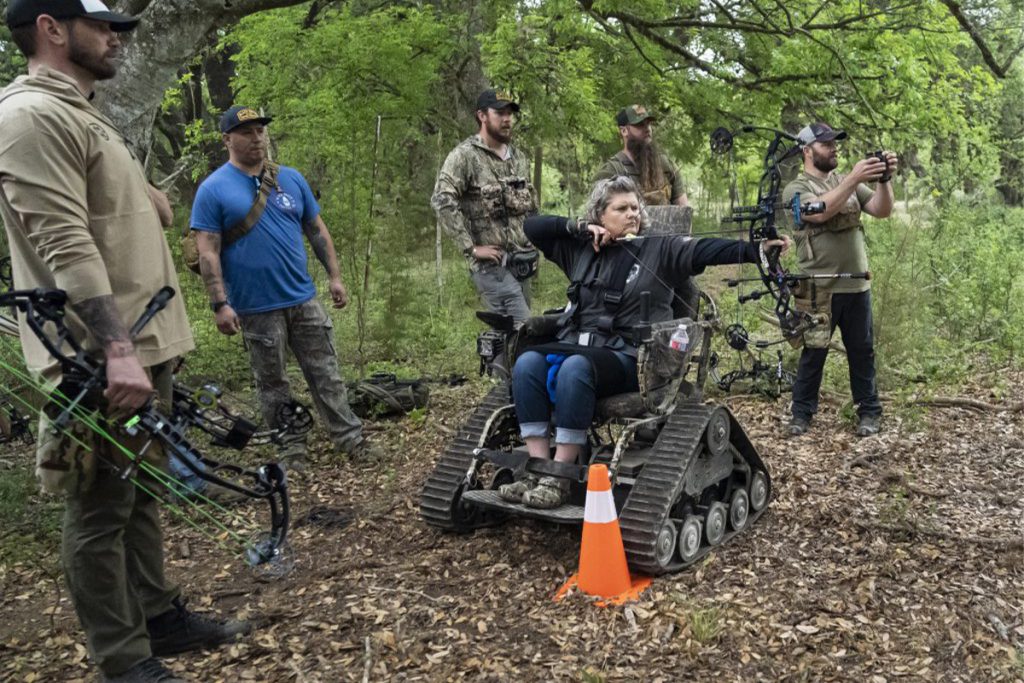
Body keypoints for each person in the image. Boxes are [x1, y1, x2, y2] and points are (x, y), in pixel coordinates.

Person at [0, 2, 248, 681]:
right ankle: (124, 656)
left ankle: (159, 613)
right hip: (98, 354)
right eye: (104, 24)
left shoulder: (83, 116)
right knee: (100, 504)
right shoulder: (27, 117)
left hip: (145, 342)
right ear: (51, 28)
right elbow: (64, 242)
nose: (117, 36)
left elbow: (130, 208)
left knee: (141, 487)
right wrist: (114, 350)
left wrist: (147, 198)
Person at [499, 176, 789, 508]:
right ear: (599, 215)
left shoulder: (660, 248)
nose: (632, 214)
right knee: (527, 364)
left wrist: (755, 250)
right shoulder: (579, 248)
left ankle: (560, 475)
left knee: (575, 369)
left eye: (636, 207)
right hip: (578, 346)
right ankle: (537, 468)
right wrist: (578, 228)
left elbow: (705, 249)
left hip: (633, 359)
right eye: (621, 208)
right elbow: (533, 227)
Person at [190, 105, 381, 471]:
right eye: (246, 132)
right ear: (227, 139)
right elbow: (208, 252)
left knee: (325, 371)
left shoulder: (290, 179)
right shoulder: (213, 190)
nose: (256, 138)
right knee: (273, 382)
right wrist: (220, 303)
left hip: (303, 298)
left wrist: (335, 277)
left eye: (260, 130)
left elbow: (317, 230)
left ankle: (350, 439)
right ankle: (291, 448)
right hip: (256, 306)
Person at [781, 122, 898, 438]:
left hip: (857, 284)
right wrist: (855, 177)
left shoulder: (844, 182)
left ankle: (869, 413)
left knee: (862, 351)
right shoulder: (796, 188)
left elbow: (881, 209)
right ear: (807, 150)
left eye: (835, 143)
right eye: (826, 144)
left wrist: (884, 179)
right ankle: (801, 414)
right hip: (818, 289)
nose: (834, 148)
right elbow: (817, 213)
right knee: (813, 351)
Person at [431, 89, 538, 324]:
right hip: (492, 268)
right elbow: (441, 200)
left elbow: (530, 203)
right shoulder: (465, 156)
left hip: (522, 264)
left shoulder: (519, 158)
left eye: (510, 113)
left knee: (515, 338)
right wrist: (471, 248)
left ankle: (498, 361)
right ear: (482, 115)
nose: (507, 118)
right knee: (522, 330)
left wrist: (535, 239)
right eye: (499, 113)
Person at [594, 105, 689, 207]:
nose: (647, 129)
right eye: (639, 125)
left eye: (648, 124)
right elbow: (598, 215)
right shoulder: (612, 171)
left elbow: (683, 210)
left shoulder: (665, 165)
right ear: (624, 131)